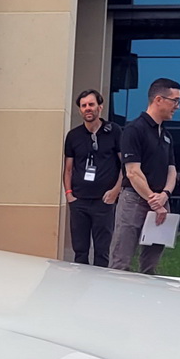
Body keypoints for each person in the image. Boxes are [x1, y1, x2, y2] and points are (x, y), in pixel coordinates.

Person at [108, 79, 180, 274]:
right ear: (159, 99)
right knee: (121, 262)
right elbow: (132, 172)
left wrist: (164, 195)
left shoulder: (166, 135)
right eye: (175, 101)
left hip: (160, 203)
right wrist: (153, 200)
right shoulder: (134, 130)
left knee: (151, 265)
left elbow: (171, 171)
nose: (177, 106)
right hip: (134, 200)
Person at [62, 89, 122, 268]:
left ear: (100, 107)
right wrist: (69, 194)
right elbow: (68, 169)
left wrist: (115, 192)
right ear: (80, 110)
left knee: (102, 252)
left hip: (103, 201)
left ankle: (99, 291)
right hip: (79, 201)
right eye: (84, 105)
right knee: (80, 251)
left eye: (91, 104)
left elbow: (125, 166)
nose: (88, 108)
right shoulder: (73, 136)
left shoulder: (114, 131)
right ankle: (79, 290)